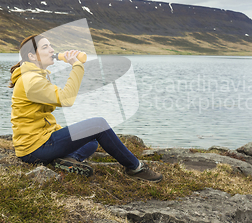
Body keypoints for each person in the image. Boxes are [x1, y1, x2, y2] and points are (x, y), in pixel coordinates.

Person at [9, 34, 162, 182]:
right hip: (35, 149)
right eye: (45, 47)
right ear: (32, 56)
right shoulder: (31, 80)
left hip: (38, 143)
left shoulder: (33, 75)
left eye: (50, 45)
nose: (51, 50)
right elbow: (66, 99)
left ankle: (68, 160)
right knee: (98, 125)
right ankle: (136, 168)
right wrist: (76, 66)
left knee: (91, 141)